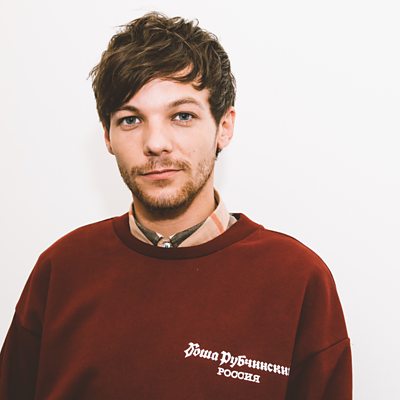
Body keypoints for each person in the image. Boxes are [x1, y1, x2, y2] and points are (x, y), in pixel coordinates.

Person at [0, 11, 352, 399]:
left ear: (224, 127)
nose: (156, 143)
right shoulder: (61, 269)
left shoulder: (298, 280)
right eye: (131, 120)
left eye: (182, 116)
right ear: (107, 136)